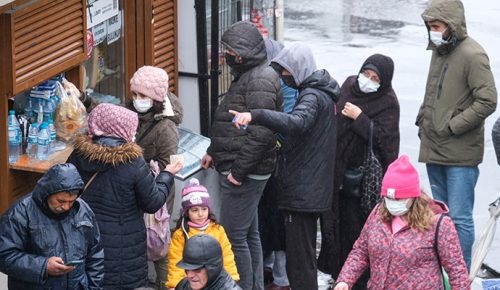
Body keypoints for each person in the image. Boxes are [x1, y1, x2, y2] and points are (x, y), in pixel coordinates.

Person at [230, 42, 340, 290]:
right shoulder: (323, 93)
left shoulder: (311, 95)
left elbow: (297, 123)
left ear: (298, 69)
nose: (282, 77)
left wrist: (255, 115)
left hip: (302, 191)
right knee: (304, 257)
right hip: (313, 188)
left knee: (300, 263)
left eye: (285, 72)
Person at [200, 21, 282, 290]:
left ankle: (243, 286)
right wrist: (214, 151)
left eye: (229, 50)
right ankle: (254, 285)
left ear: (242, 52)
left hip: (245, 172)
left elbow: (263, 133)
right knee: (249, 233)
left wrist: (238, 172)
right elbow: (233, 121)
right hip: (243, 167)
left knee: (234, 234)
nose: (225, 55)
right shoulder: (251, 74)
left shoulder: (260, 79)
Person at [416, 0, 497, 269]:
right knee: (439, 215)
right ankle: (442, 272)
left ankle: (460, 275)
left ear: (451, 26)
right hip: (434, 147)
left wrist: (454, 125)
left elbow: (488, 101)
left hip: (460, 154)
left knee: (460, 218)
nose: (432, 31)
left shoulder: (473, 55)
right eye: (430, 26)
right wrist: (422, 119)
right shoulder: (438, 51)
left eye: (436, 26)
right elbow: (434, 94)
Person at [68, 103, 182, 289]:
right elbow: (152, 202)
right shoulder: (132, 162)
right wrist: (167, 174)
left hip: (85, 241)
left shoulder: (78, 155)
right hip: (125, 250)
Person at [318, 54, 400, 289]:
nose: (368, 80)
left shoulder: (388, 102)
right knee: (333, 224)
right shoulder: (349, 85)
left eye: (375, 78)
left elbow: (387, 143)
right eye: (366, 74)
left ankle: (358, 279)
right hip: (336, 173)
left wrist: (360, 118)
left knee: (357, 229)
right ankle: (336, 273)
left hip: (361, 182)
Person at [333, 155, 470, 290]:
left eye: (398, 199)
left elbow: (457, 271)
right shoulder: (377, 214)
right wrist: (345, 280)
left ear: (414, 196)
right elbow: (361, 251)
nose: (392, 203)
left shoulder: (438, 224)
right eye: (388, 198)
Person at [0, 163, 104, 289]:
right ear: (47, 193)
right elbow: (4, 256)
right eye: (61, 201)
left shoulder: (83, 210)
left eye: (71, 201)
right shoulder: (20, 213)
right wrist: (43, 266)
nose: (66, 206)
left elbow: (95, 253)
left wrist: (93, 287)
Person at [129, 65, 184, 290]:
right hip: (135, 190)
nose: (136, 99)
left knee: (159, 243)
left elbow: (167, 167)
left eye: (142, 95)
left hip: (156, 192)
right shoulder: (133, 112)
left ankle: (165, 285)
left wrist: (136, 165)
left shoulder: (166, 128)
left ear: (154, 98)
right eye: (134, 94)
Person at [259, 39, 295, 290]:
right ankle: (271, 269)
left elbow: (287, 125)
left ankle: (280, 276)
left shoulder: (287, 86)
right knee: (267, 217)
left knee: (275, 219)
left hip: (279, 164)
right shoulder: (273, 80)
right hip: (268, 160)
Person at [167, 178, 239, 289]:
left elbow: (227, 256)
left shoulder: (218, 230)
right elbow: (175, 262)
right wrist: (175, 285)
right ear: (186, 213)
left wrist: (232, 277)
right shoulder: (180, 234)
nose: (200, 214)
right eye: (195, 210)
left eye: (204, 209)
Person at [175, 234, 242, 290]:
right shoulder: (183, 286)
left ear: (212, 269)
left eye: (197, 270)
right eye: (187, 269)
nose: (190, 275)